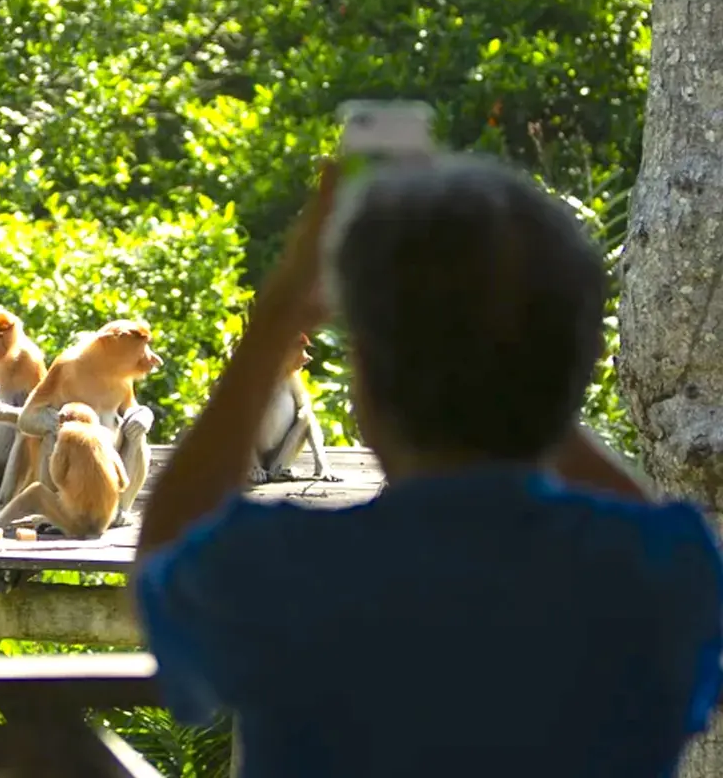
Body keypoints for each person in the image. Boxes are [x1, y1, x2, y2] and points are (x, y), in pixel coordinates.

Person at [134, 154, 723, 778]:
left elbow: (164, 554)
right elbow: (647, 527)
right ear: (575, 366)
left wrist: (279, 315)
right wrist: (521, 362)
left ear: (365, 384)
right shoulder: (659, 571)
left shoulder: (289, 573)